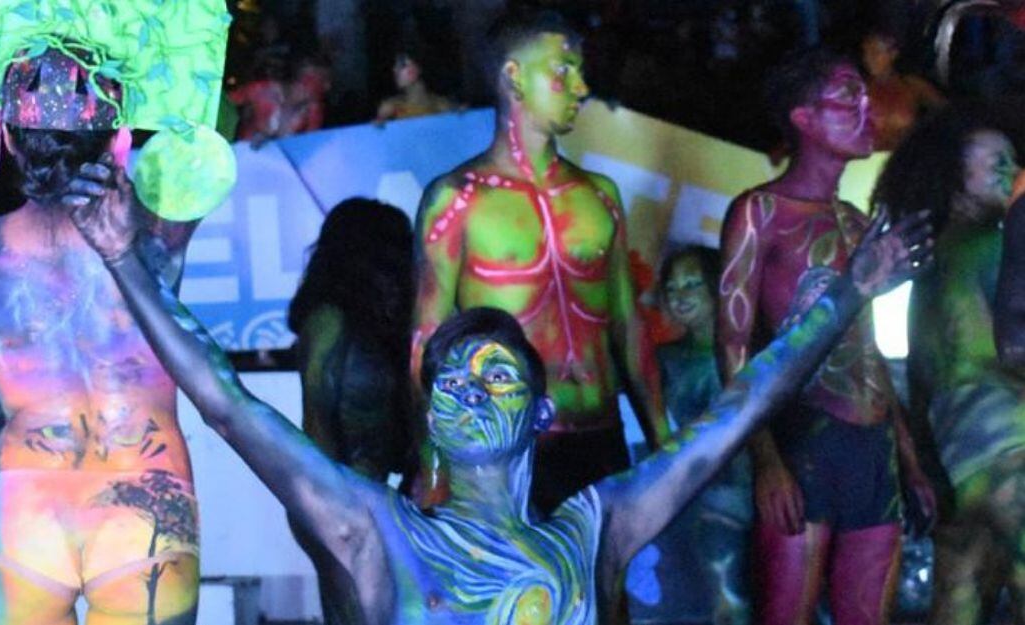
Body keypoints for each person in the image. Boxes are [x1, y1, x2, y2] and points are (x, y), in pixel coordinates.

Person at [63, 141, 932, 625]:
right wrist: (122, 257)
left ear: (542, 411)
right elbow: (226, 402)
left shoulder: (598, 525)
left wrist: (849, 294)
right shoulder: (375, 529)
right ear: (429, 415)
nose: (470, 388)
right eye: (450, 378)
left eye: (496, 373)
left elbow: (737, 416)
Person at [0, 48, 203, 625]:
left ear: (3, 137)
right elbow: (201, 130)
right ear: (118, 139)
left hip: (26, 504)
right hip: (148, 497)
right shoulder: (161, 228)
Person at [411, 9, 668, 515]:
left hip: (600, 435)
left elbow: (628, 325)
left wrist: (663, 440)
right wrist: (434, 464)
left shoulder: (599, 196)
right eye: (563, 70)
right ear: (514, 77)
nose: (581, 88)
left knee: (604, 567)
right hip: (504, 447)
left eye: (580, 72)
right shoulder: (457, 200)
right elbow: (427, 340)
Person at [717, 49, 936, 625]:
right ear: (804, 118)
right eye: (849, 97)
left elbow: (869, 351)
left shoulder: (860, 224)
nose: (868, 110)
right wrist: (765, 459)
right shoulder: (761, 213)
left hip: (873, 452)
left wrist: (909, 460)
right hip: (804, 439)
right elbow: (733, 346)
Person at [877, 107, 1024, 624]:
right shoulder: (995, 245)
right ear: (952, 174)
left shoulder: (929, 271)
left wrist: (927, 468)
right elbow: (1014, 348)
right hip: (1010, 443)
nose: (1011, 170)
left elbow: (922, 385)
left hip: (958, 459)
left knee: (957, 600)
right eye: (996, 161)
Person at [627, 246, 752, 625]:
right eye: (671, 288)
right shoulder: (662, 360)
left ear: (717, 287)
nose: (680, 296)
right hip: (682, 501)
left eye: (692, 284)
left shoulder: (749, 355)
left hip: (740, 499)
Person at [287, 198, 414, 482]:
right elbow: (317, 425)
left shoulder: (382, 329)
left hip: (370, 489)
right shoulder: (328, 323)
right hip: (341, 492)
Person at [860, 30, 945, 151]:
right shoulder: (859, 89)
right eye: (866, 53)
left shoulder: (912, 86)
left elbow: (947, 114)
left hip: (907, 156)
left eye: (875, 53)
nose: (869, 59)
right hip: (869, 158)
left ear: (893, 54)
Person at [375, 49, 455, 124]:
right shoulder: (390, 106)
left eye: (403, 65)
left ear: (419, 69)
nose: (395, 69)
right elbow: (377, 129)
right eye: (395, 66)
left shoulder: (442, 105)